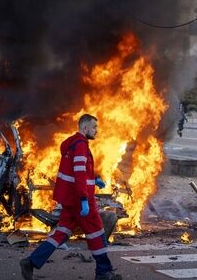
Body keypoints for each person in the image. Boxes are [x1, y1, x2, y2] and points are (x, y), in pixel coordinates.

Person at [20, 114, 121, 280]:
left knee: (61, 233)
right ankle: (104, 272)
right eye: (94, 127)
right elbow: (79, 173)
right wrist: (83, 200)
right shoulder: (81, 145)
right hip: (80, 201)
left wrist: (94, 180)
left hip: (69, 200)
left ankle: (30, 262)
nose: (96, 130)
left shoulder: (72, 144)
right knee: (96, 233)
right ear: (85, 128)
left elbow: (77, 172)